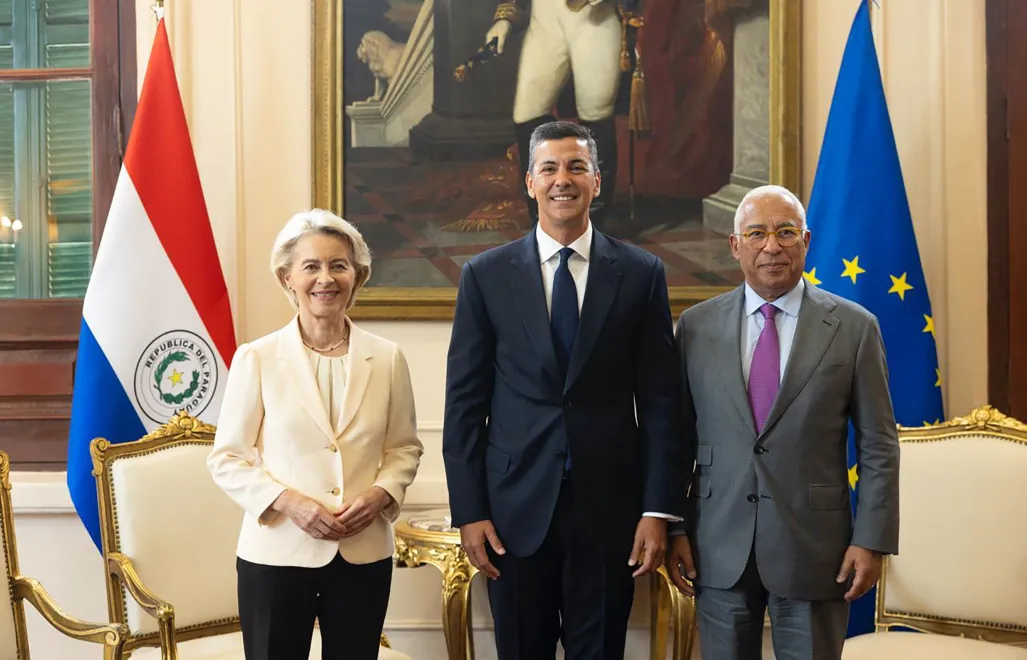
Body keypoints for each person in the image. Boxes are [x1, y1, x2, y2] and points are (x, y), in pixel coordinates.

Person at [442, 120, 689, 659]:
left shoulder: (641, 273)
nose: (563, 179)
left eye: (577, 167)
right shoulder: (484, 275)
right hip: (511, 516)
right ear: (529, 182)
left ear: (597, 181)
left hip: (610, 515)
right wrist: (470, 511)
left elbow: (662, 406)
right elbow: (464, 406)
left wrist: (658, 510)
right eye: (549, 168)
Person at [665, 185, 900, 659]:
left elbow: (879, 444)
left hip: (816, 549)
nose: (771, 246)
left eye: (785, 232)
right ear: (736, 246)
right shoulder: (695, 327)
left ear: (806, 241)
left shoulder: (854, 328)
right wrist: (674, 528)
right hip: (717, 545)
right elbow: (675, 439)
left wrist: (871, 540)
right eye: (756, 233)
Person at [207, 209, 423, 660]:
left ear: (357, 276)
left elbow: (404, 448)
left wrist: (382, 493)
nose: (326, 278)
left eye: (338, 265)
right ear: (288, 278)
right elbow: (226, 457)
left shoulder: (387, 358)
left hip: (363, 553)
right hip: (276, 554)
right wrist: (290, 502)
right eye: (311, 266)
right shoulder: (258, 358)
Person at [486, 0, 641, 228]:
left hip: (594, 21)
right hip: (544, 22)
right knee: (528, 115)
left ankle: (592, 223)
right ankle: (544, 220)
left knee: (594, 115)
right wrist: (504, 18)